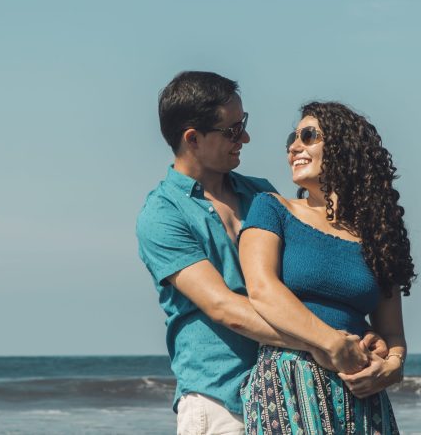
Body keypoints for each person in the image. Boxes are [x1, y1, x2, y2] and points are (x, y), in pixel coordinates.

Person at [136, 73, 383, 435]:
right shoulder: (162, 215)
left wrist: (376, 345)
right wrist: (327, 342)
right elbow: (225, 308)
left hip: (290, 392)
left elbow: (311, 280)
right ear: (193, 139)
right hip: (220, 400)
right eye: (233, 131)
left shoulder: (262, 195)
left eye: (244, 124)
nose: (246, 138)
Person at [238, 101, 416, 434]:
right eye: (292, 139)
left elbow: (392, 334)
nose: (294, 147)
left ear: (344, 147)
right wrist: (332, 343)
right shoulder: (271, 208)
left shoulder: (379, 235)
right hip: (290, 378)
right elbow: (262, 291)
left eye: (308, 136)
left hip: (362, 389)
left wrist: (392, 367)